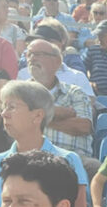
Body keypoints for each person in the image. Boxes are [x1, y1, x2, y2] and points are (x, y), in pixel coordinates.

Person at [24, 38, 95, 166]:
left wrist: (38, 117)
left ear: (57, 62)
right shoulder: (20, 92)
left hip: (72, 159)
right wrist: (58, 113)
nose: (32, 58)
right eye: (29, 54)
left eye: (39, 54)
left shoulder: (75, 92)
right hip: (30, 157)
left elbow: (83, 126)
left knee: (94, 167)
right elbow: (15, 124)